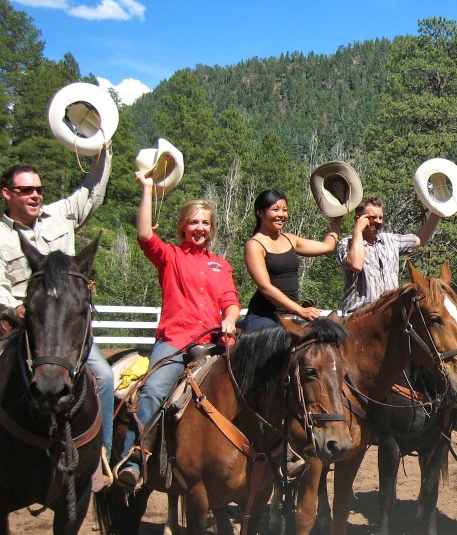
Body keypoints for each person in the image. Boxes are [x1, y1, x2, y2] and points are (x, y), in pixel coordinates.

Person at [119, 169, 240, 488]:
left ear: (211, 229)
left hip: (215, 343)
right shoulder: (169, 256)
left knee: (251, 384)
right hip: (175, 341)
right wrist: (147, 190)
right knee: (155, 390)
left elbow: (231, 301)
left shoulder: (221, 265)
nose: (200, 228)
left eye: (206, 223)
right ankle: (134, 456)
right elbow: (145, 235)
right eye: (194, 222)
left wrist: (230, 317)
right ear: (183, 226)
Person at [0, 153, 116, 479]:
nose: (36, 194)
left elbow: (93, 191)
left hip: (65, 325)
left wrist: (102, 150)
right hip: (21, 323)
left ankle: (99, 456)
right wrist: (14, 307)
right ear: (7, 193)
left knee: (104, 378)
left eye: (38, 188)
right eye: (26, 190)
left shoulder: (61, 214)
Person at [242, 189, 341, 330]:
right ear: (259, 212)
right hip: (264, 315)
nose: (281, 215)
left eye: (285, 210)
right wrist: (300, 310)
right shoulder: (254, 245)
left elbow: (327, 246)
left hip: (291, 312)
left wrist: (338, 216)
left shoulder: (290, 239)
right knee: (271, 343)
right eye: (275, 210)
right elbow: (266, 287)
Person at [338, 196, 441, 315]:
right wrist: (358, 230)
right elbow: (356, 265)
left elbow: (420, 239)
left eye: (381, 217)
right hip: (358, 317)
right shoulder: (346, 243)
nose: (378, 221)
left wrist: (438, 212)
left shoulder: (390, 240)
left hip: (387, 318)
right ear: (359, 219)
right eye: (373, 218)